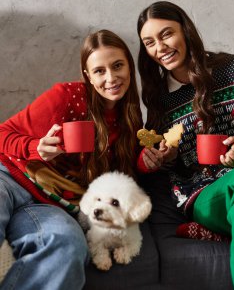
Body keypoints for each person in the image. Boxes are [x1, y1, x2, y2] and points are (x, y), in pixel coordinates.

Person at [0, 29, 142, 290]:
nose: (111, 77)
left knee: (69, 246)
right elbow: (2, 133)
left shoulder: (130, 120)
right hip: (10, 176)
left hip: (51, 204)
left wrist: (153, 160)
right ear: (88, 76)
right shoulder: (67, 96)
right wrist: (35, 148)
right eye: (99, 71)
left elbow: (124, 176)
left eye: (118, 66)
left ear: (130, 68)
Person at [136, 1, 234, 290]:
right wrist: (167, 156)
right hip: (203, 193)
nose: (159, 47)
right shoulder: (160, 101)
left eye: (166, 35)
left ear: (186, 32)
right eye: (149, 42)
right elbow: (169, 162)